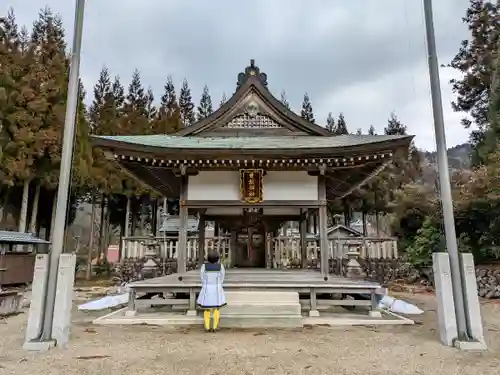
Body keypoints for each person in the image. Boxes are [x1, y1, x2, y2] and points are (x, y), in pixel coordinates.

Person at [197, 250, 226, 331]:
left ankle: (207, 326)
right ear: (217, 258)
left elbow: (202, 278)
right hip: (217, 288)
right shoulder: (220, 266)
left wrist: (206, 284)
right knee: (216, 308)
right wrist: (218, 284)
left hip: (207, 288)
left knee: (207, 308)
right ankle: (214, 326)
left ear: (208, 258)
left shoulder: (204, 267)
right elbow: (222, 277)